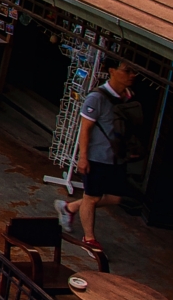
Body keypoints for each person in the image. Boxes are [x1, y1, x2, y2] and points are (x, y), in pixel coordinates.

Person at [59, 56, 137, 256]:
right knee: (91, 197)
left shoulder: (128, 96)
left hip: (116, 157)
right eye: (126, 71)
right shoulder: (97, 98)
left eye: (132, 72)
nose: (131, 75)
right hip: (97, 156)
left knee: (116, 197)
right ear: (112, 71)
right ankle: (89, 238)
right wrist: (83, 157)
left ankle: (70, 208)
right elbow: (85, 129)